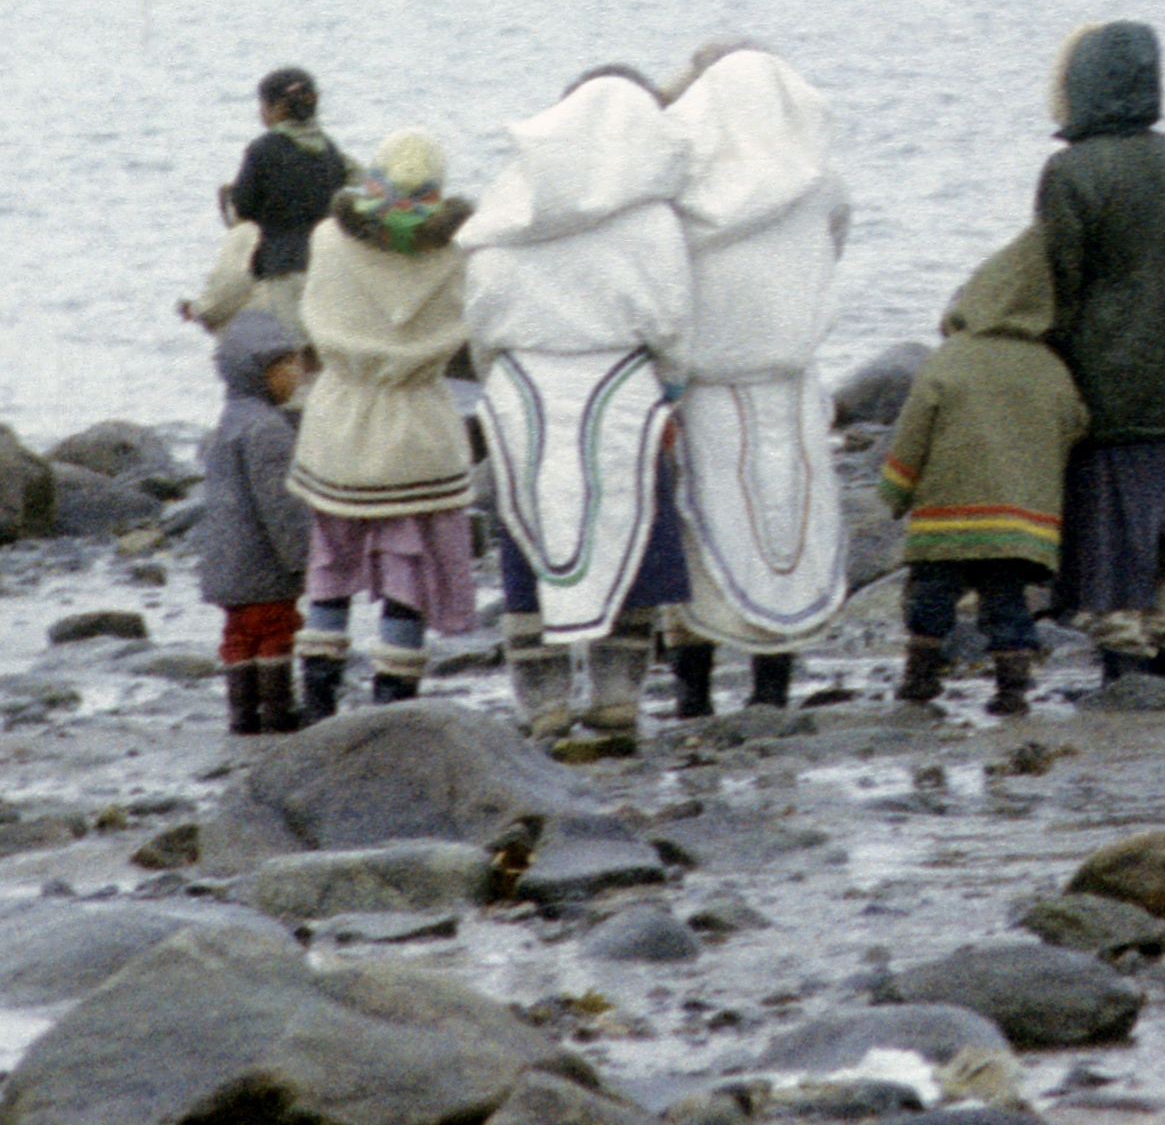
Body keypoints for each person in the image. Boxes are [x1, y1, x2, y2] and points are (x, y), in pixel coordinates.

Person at [460, 67, 694, 747]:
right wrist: (672, 386)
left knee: (529, 542)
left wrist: (494, 375)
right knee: (640, 535)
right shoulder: (650, 220)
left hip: (522, 393)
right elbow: (672, 323)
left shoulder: (511, 204)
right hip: (621, 387)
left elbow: (481, 316)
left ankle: (546, 702)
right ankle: (618, 694)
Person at [1036, 21, 1165, 686]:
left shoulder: (1069, 171)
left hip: (1100, 358)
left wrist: (1055, 347)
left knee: (1104, 501)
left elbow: (1058, 276)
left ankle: (1120, 630)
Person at [661, 42, 849, 715]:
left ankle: (693, 693)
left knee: (699, 533)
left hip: (707, 390)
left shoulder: (681, 190)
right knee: (789, 529)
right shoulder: (820, 182)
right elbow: (834, 246)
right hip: (791, 384)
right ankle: (772, 690)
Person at [290, 134, 482, 719]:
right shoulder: (459, 250)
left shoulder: (327, 240)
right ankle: (396, 704)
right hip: (421, 424)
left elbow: (314, 318)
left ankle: (318, 701)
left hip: (341, 419)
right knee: (411, 566)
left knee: (329, 562)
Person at [877, 228, 1086, 718]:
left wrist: (895, 492)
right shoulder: (1049, 366)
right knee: (1007, 602)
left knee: (930, 600)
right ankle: (1012, 687)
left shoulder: (949, 359)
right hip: (1016, 522)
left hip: (945, 517)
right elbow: (1076, 425)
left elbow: (913, 432)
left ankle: (921, 677)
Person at [196, 309, 315, 734]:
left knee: (238, 635)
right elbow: (281, 504)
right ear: (259, 372)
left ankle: (242, 714)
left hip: (227, 561)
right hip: (262, 562)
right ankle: (278, 710)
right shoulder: (268, 429)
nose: (298, 375)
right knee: (275, 631)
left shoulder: (227, 423)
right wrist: (302, 558)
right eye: (288, 366)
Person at [220, 66, 348, 325]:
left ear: (271, 109)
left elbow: (243, 208)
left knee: (294, 349)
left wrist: (227, 201)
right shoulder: (329, 150)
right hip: (327, 261)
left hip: (282, 265)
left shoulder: (262, 150)